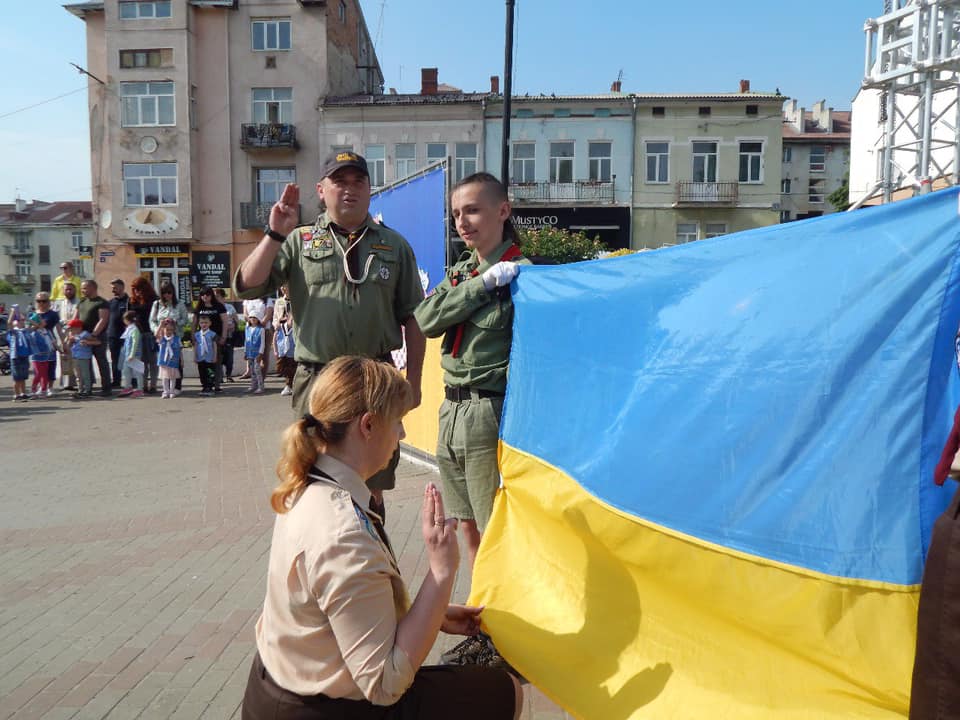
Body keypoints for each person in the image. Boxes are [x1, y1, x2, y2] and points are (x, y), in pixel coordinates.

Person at [239, 356, 521, 720]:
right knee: (502, 692)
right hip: (321, 708)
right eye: (398, 421)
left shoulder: (309, 483)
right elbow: (385, 683)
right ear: (368, 425)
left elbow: (340, 611)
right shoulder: (342, 534)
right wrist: (441, 571)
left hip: (275, 689)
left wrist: (431, 614)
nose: (402, 435)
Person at [233, 151, 426, 516]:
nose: (349, 190)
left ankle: (372, 563)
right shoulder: (299, 241)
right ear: (321, 190)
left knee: (374, 483)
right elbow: (248, 286)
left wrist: (413, 381)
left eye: (359, 182)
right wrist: (275, 233)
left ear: (371, 190)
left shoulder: (394, 245)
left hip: (375, 380)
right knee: (313, 480)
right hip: (318, 380)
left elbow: (414, 317)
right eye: (340, 182)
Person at [414, 173, 528, 669]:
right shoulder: (465, 273)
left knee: (495, 530)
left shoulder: (524, 274)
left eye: (474, 211)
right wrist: (479, 286)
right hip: (451, 411)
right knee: (469, 531)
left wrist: (493, 284)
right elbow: (426, 318)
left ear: (503, 211)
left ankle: (511, 637)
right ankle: (488, 628)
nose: (463, 221)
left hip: (487, 411)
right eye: (457, 213)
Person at [74, 279, 111, 397]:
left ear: (93, 288)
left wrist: (94, 334)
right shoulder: (82, 302)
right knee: (85, 363)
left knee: (101, 361)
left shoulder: (101, 302)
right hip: (82, 337)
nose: (82, 290)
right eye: (82, 288)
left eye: (85, 288)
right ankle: (87, 388)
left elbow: (103, 319)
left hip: (97, 336)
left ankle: (106, 388)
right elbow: (76, 319)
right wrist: (73, 332)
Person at [150, 281, 189, 393]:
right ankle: (166, 387)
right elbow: (152, 321)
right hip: (162, 339)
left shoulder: (180, 304)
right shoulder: (157, 304)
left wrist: (175, 322)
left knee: (176, 361)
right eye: (164, 293)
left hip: (175, 337)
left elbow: (185, 320)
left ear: (173, 292)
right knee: (164, 361)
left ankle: (177, 387)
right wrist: (158, 328)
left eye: (169, 292)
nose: (167, 295)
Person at [193, 286, 228, 393]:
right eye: (202, 295)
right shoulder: (199, 307)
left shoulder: (219, 306)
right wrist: (192, 336)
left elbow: (225, 322)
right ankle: (205, 384)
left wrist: (223, 336)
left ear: (211, 295)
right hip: (202, 338)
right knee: (203, 362)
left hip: (215, 337)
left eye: (207, 294)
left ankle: (216, 384)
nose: (205, 297)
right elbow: (194, 323)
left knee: (215, 362)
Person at [128, 277, 159, 394]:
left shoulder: (154, 300)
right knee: (141, 361)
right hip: (137, 334)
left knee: (152, 360)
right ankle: (143, 384)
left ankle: (154, 385)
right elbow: (128, 317)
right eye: (134, 289)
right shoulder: (131, 301)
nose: (136, 291)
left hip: (150, 333)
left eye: (139, 289)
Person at [53, 282, 79, 391]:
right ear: (63, 291)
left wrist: (70, 325)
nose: (68, 291)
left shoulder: (79, 302)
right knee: (65, 358)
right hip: (62, 332)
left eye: (70, 289)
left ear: (74, 290)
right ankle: (67, 383)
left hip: (75, 332)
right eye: (66, 289)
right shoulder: (58, 303)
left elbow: (77, 317)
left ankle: (80, 381)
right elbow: (55, 319)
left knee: (77, 358)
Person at [34, 291, 61, 391]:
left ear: (48, 302)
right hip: (37, 343)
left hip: (49, 341)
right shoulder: (33, 314)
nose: (41, 303)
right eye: (38, 301)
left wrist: (63, 342)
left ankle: (50, 387)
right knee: (38, 366)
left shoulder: (52, 314)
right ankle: (41, 386)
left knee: (50, 364)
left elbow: (57, 328)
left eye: (44, 301)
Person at [106, 278, 130, 388]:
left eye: (115, 288)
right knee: (115, 360)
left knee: (130, 358)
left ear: (122, 287)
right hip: (113, 335)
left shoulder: (129, 301)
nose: (113, 290)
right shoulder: (110, 303)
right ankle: (116, 381)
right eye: (112, 288)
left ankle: (133, 381)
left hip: (126, 335)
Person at [26, 312, 57, 397]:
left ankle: (43, 390)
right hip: (36, 357)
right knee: (39, 373)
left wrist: (59, 350)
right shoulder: (34, 333)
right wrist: (32, 323)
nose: (43, 320)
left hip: (46, 355)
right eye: (40, 319)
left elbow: (53, 342)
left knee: (44, 374)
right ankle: (33, 389)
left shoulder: (46, 331)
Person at [67, 317, 98, 399]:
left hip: (84, 357)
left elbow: (97, 342)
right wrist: (70, 340)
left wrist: (87, 342)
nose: (70, 331)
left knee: (85, 374)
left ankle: (88, 390)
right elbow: (68, 346)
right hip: (75, 357)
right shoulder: (73, 335)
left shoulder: (85, 334)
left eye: (72, 329)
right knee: (78, 375)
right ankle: (80, 390)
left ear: (78, 328)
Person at [117, 310, 144, 398]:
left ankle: (140, 389)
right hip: (127, 355)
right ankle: (127, 387)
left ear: (127, 320)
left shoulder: (134, 330)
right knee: (126, 371)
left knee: (138, 372)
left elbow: (135, 343)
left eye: (124, 319)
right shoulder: (129, 329)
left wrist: (132, 354)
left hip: (134, 355)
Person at [214, 288, 238, 382]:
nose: (216, 298)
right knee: (219, 357)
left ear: (223, 297)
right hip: (218, 336)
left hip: (229, 335)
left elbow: (237, 321)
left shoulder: (230, 307)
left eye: (218, 296)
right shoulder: (214, 308)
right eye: (215, 297)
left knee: (229, 357)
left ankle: (229, 375)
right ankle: (219, 377)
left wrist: (234, 325)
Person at [7, 316, 31, 402]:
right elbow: (9, 323)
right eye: (21, 320)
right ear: (15, 322)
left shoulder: (25, 331)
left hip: (24, 356)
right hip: (15, 357)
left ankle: (23, 393)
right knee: (17, 378)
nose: (22, 322)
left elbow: (37, 326)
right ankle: (16, 395)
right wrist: (13, 313)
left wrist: (29, 319)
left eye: (23, 320)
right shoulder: (13, 332)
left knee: (23, 377)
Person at [157, 318, 183, 399]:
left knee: (172, 377)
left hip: (173, 361)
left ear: (174, 330)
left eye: (171, 330)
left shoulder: (177, 339)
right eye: (167, 329)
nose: (169, 331)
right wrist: (160, 326)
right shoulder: (162, 339)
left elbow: (180, 350)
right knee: (165, 378)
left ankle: (172, 391)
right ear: (164, 329)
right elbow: (156, 335)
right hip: (164, 361)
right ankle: (165, 391)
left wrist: (181, 360)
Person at [194, 314, 219, 397]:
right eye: (201, 323)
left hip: (210, 357)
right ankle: (204, 386)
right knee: (202, 373)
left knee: (210, 372)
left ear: (210, 323)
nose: (204, 324)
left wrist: (215, 356)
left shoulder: (212, 334)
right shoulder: (197, 335)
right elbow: (196, 345)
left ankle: (210, 387)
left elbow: (214, 346)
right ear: (199, 324)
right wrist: (195, 356)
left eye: (206, 322)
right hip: (201, 357)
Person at [274, 312, 295, 396]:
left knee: (293, 369)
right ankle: (289, 385)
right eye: (291, 319)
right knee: (282, 369)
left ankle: (290, 386)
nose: (293, 321)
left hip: (293, 352)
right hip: (282, 351)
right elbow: (275, 338)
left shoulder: (296, 328)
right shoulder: (280, 327)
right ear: (287, 318)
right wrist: (275, 350)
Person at [244, 311, 265, 395]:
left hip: (257, 353)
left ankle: (261, 387)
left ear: (258, 319)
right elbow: (246, 341)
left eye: (255, 317)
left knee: (257, 370)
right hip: (249, 353)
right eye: (251, 317)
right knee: (252, 370)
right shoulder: (247, 329)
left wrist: (260, 353)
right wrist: (245, 352)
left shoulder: (261, 329)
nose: (252, 319)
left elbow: (262, 342)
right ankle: (253, 385)